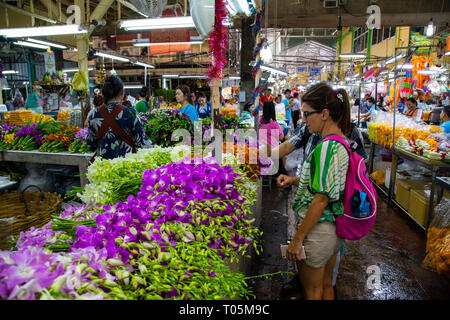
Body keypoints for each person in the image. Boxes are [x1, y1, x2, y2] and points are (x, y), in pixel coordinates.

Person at [276, 83, 352, 300]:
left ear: (325, 114)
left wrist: (298, 238)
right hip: (334, 228)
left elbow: (320, 199)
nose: (304, 120)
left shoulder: (326, 147)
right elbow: (327, 185)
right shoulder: (342, 142)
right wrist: (293, 180)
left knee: (312, 291)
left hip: (319, 230)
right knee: (327, 286)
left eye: (307, 114)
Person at [86, 75, 150, 160]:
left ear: (103, 94)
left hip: (102, 167)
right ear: (121, 93)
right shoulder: (130, 113)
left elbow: (91, 145)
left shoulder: (93, 114)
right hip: (126, 165)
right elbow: (143, 142)